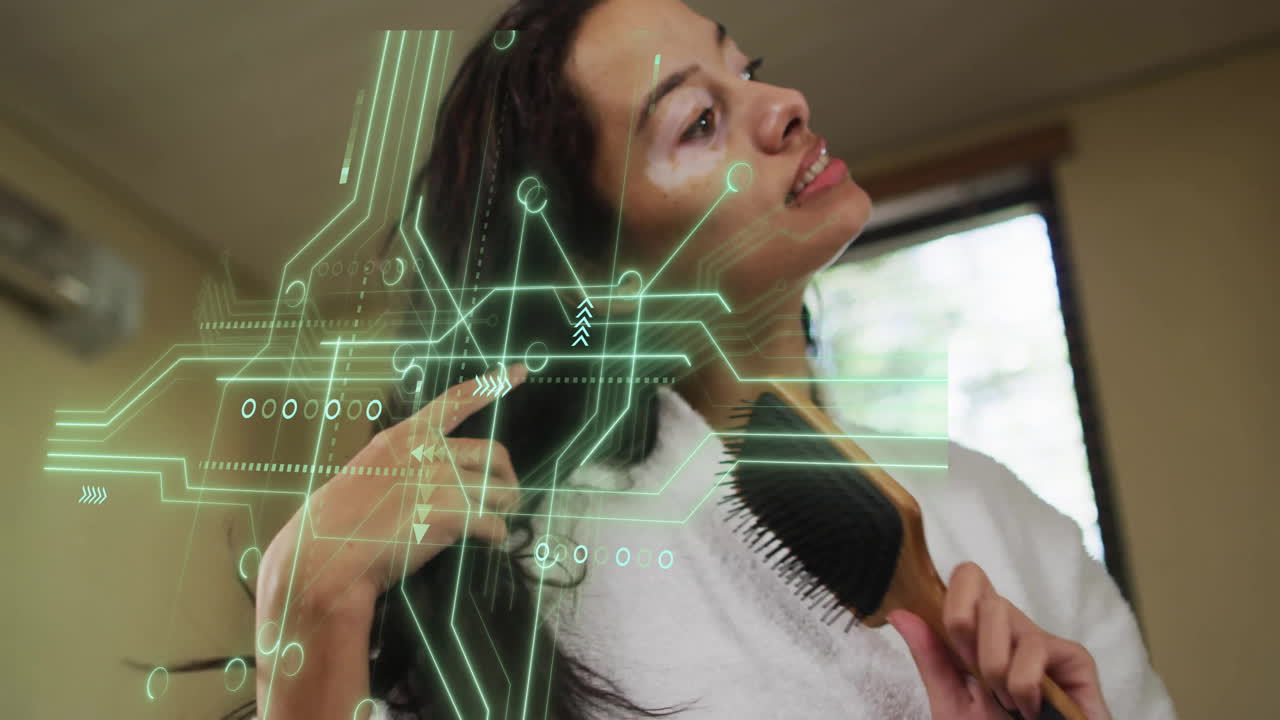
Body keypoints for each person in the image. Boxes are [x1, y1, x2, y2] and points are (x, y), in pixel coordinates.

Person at [239, 0, 1179, 718]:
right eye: (697, 120)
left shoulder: (998, 510)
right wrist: (304, 613)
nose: (784, 105)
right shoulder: (522, 582)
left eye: (749, 71)